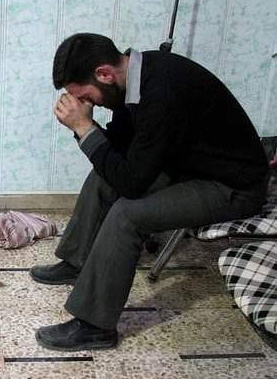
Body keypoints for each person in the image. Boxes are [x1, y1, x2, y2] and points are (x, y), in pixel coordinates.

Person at [30, 33, 269, 351]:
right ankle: (78, 261)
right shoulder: (135, 81)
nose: (88, 104)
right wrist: (85, 130)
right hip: (187, 168)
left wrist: (84, 128)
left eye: (86, 95)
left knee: (128, 215)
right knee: (103, 176)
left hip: (232, 186)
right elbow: (118, 154)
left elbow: (132, 184)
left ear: (104, 74)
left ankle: (95, 327)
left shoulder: (162, 93)